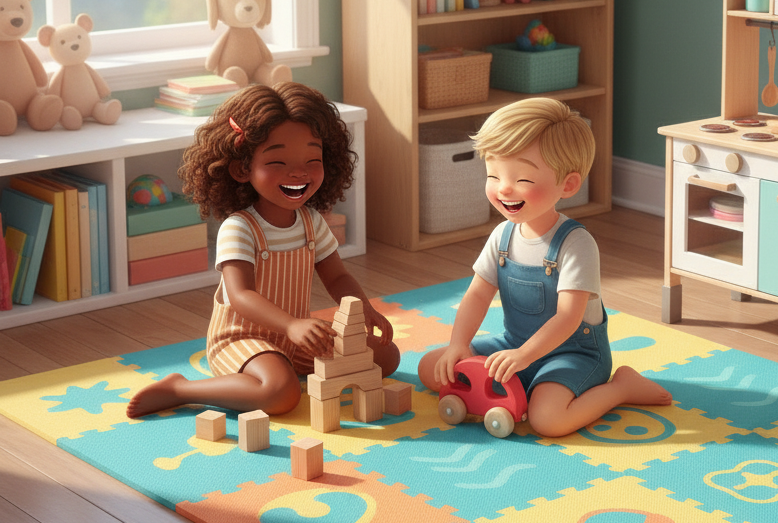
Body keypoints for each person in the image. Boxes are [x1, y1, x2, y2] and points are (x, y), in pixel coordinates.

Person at [127, 82, 396, 419]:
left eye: (312, 159)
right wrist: (291, 326)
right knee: (281, 394)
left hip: (293, 334)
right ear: (243, 168)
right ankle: (181, 388)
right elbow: (241, 295)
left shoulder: (311, 221)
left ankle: (286, 370)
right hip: (241, 339)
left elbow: (337, 275)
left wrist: (363, 310)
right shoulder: (240, 227)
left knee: (384, 357)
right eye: (278, 162)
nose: (297, 172)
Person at [418, 97, 670, 437]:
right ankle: (521, 384)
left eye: (521, 180)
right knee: (431, 367)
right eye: (493, 175)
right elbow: (477, 294)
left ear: (567, 184)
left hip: (573, 353)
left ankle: (621, 388)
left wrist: (524, 356)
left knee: (548, 420)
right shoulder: (502, 235)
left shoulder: (576, 244)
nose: (504, 188)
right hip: (515, 345)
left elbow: (568, 318)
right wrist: (459, 343)